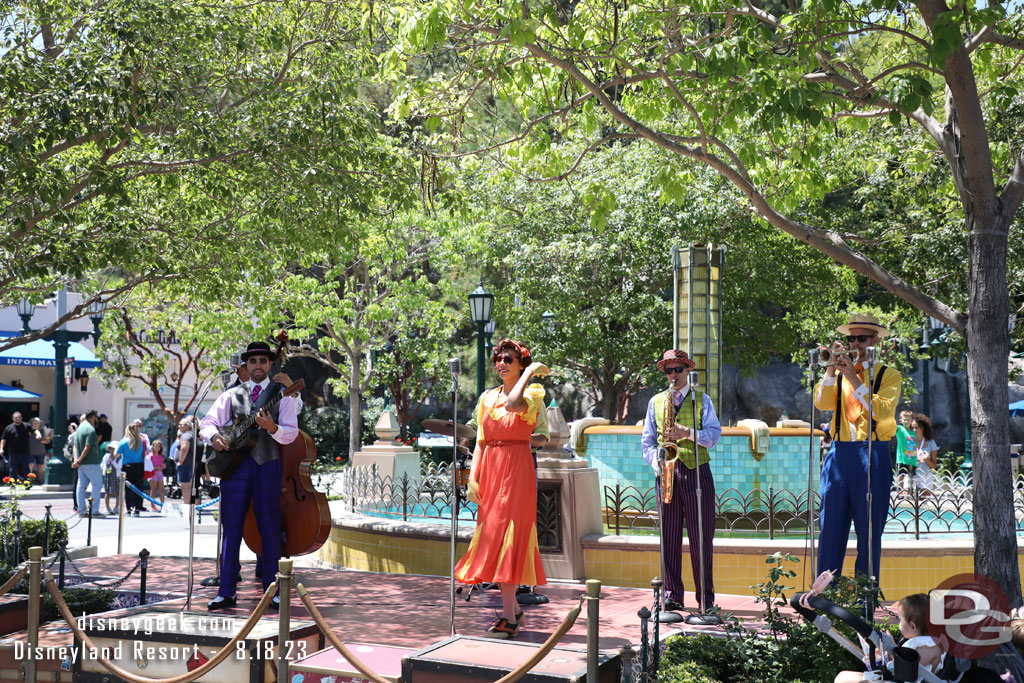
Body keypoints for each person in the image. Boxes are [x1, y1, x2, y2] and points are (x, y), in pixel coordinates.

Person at [455, 338, 549, 638]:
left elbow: (512, 404)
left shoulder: (533, 392)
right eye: (498, 358)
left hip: (517, 467)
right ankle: (514, 612)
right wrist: (473, 478)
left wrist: (530, 373)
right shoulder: (485, 398)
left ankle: (508, 616)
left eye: (509, 359)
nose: (501, 363)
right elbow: (481, 441)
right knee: (493, 535)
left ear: (521, 363)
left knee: (509, 535)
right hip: (492, 469)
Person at [200, 341, 299, 611]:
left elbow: (291, 432)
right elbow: (207, 423)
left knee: (270, 528)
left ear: (270, 365)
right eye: (253, 361)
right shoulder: (232, 394)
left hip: (268, 465)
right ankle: (226, 591)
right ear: (246, 365)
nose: (258, 365)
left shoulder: (284, 394)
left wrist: (272, 427)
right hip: (235, 467)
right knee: (231, 530)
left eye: (263, 361)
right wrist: (215, 437)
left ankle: (274, 591)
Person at [815, 313, 902, 583]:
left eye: (861, 338)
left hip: (872, 454)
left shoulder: (890, 375)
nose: (854, 343)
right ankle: (824, 599)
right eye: (850, 338)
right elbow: (821, 402)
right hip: (839, 454)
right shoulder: (840, 376)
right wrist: (831, 369)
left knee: (869, 534)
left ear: (875, 340)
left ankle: (865, 602)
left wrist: (853, 377)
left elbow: (882, 412)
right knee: (830, 531)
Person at [640, 349, 723, 612]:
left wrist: (688, 432)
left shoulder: (702, 399)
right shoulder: (655, 402)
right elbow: (647, 442)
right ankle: (672, 594)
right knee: (669, 537)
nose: (673, 375)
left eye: (678, 369)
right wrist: (657, 464)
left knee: (701, 538)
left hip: (697, 470)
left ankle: (705, 598)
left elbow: (714, 435)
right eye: (669, 370)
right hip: (667, 473)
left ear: (688, 370)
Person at [834, 593, 940, 683]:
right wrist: (889, 652)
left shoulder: (928, 646)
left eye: (900, 620)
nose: (899, 624)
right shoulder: (930, 643)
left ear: (912, 626)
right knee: (843, 677)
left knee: (843, 678)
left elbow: (904, 671)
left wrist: (890, 646)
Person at [71, 411, 104, 517]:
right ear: (93, 417)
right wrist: (79, 460)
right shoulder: (90, 429)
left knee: (81, 486)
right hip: (91, 462)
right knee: (97, 485)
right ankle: (94, 510)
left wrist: (76, 460)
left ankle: (81, 510)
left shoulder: (80, 428)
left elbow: (75, 446)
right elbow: (88, 446)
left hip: (81, 464)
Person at [117, 423, 148, 516]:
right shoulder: (141, 441)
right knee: (138, 487)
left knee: (128, 488)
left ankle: (129, 508)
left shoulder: (124, 441)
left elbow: (117, 454)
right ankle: (137, 508)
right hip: (139, 465)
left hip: (127, 466)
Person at [1, 412, 33, 480]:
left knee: (26, 468)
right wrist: (1, 449)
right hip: (13, 452)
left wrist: (38, 434)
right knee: (13, 468)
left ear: (21, 418)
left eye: (19, 417)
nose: (17, 419)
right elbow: (3, 439)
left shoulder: (27, 426)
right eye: (15, 418)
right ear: (13, 418)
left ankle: (27, 484)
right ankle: (13, 484)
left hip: (25, 451)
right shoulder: (9, 428)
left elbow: (34, 430)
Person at [912, 414, 939, 493]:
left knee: (924, 503)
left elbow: (934, 466)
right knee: (909, 503)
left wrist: (927, 460)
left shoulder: (931, 443)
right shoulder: (909, 442)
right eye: (912, 427)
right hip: (912, 475)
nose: (914, 430)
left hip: (925, 477)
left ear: (923, 428)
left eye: (916, 427)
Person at [174, 417, 197, 505]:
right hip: (190, 464)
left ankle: (187, 506)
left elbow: (184, 448)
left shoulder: (186, 435)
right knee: (189, 486)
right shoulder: (191, 434)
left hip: (185, 465)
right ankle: (189, 505)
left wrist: (181, 461)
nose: (179, 426)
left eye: (181, 425)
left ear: (187, 426)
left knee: (185, 486)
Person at [895, 410, 917, 498]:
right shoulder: (900, 429)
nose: (906, 421)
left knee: (911, 477)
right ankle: (899, 492)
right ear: (901, 420)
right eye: (905, 419)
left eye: (908, 419)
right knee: (901, 476)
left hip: (913, 459)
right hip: (902, 459)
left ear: (912, 420)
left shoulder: (915, 432)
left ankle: (908, 493)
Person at [100, 442, 122, 514]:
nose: (112, 451)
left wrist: (113, 461)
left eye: (114, 449)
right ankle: (107, 507)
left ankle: (116, 507)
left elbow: (119, 467)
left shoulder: (120, 457)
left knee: (118, 492)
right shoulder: (106, 456)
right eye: (111, 449)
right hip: (108, 475)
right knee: (107, 492)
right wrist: (105, 470)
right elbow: (102, 465)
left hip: (117, 476)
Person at [147, 440, 166, 511]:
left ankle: (162, 505)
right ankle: (152, 505)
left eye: (159, 446)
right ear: (153, 447)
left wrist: (163, 466)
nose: (157, 448)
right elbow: (150, 466)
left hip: (160, 474)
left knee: (162, 489)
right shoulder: (150, 456)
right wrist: (157, 467)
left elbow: (162, 465)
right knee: (153, 489)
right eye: (156, 446)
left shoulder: (161, 456)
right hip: (153, 474)